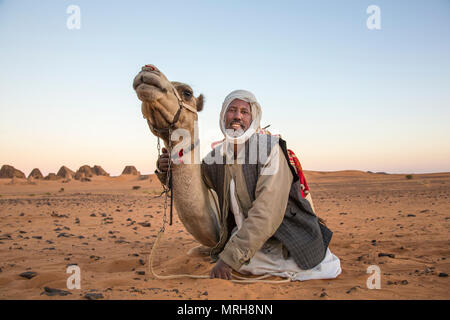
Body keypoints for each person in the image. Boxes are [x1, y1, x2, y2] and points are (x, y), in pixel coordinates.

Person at [156, 90, 341, 281]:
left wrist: (228, 260)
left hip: (285, 235)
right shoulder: (216, 157)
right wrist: (169, 170)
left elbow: (267, 212)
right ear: (223, 116)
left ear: (253, 118)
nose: (237, 116)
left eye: (244, 112)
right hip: (247, 233)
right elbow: (193, 184)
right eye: (232, 110)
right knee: (240, 259)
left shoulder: (270, 149)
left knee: (306, 267)